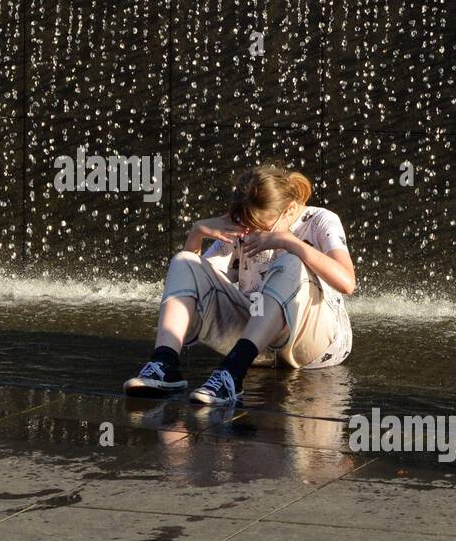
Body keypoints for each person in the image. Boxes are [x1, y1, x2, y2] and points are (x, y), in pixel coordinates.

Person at [124, 164, 357, 408]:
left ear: (289, 210)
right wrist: (196, 235)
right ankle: (165, 363)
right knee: (184, 262)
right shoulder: (245, 224)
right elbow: (196, 284)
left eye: (261, 227)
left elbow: (347, 282)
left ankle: (231, 373)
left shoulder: (321, 220)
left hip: (311, 344)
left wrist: (291, 242)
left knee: (292, 262)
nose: (252, 232)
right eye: (245, 223)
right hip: (258, 343)